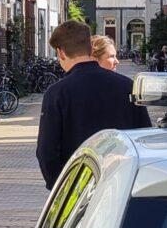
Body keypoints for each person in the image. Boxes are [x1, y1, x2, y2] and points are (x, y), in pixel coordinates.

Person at [36, 20, 152, 190]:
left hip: (78, 188)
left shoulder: (57, 93)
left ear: (60, 53)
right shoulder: (128, 86)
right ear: (89, 49)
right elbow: (144, 137)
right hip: (122, 183)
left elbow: (47, 152)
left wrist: (61, 189)